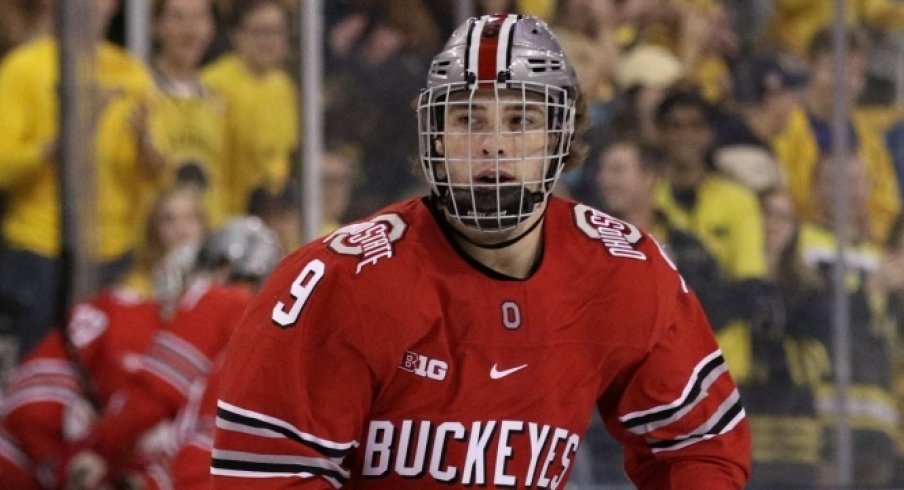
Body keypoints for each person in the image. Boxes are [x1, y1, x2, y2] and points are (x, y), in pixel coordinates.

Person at [212, 14, 750, 488]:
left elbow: (700, 446)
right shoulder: (338, 279)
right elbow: (267, 476)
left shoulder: (624, 268)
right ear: (436, 138)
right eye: (469, 119)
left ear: (561, 138)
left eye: (520, 121)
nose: (493, 142)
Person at [0, 184, 208, 489]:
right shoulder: (115, 306)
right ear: (151, 232)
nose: (181, 231)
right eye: (169, 219)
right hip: (99, 468)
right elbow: (36, 396)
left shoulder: (223, 309)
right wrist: (60, 461)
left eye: (191, 218)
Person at [56, 216, 283, 489]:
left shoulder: (217, 301)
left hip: (208, 469)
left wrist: (99, 448)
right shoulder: (279, 320)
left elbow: (157, 393)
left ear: (219, 266)